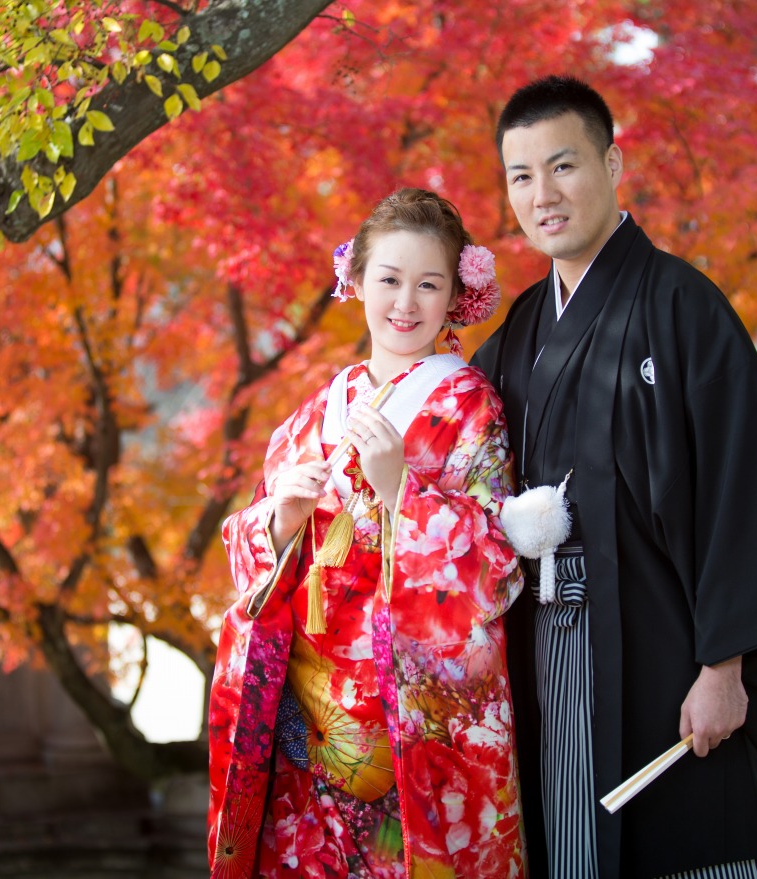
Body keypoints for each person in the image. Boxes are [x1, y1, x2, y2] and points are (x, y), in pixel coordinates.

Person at [472, 76, 757, 879]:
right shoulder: (520, 329)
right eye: (521, 176)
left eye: (563, 166)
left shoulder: (684, 307)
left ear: (612, 163)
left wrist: (726, 667)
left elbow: (743, 492)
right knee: (568, 839)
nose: (542, 195)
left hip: (673, 655)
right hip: (546, 652)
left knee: (688, 837)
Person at [207, 188, 527, 878]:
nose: (405, 302)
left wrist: (400, 490)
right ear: (355, 280)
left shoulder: (469, 405)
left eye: (428, 284)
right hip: (309, 718)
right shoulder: (315, 413)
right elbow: (246, 553)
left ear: (456, 296)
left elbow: (496, 566)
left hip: (413, 712)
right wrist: (280, 520)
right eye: (388, 279)